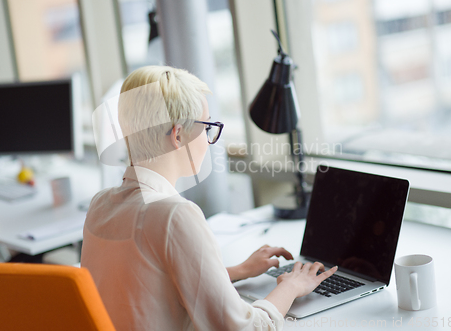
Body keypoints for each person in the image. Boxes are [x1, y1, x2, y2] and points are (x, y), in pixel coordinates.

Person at [81, 66, 337, 331]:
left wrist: (237, 271)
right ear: (178, 134)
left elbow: (149, 287)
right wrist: (291, 287)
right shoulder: (173, 215)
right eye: (207, 127)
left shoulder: (99, 205)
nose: (209, 138)